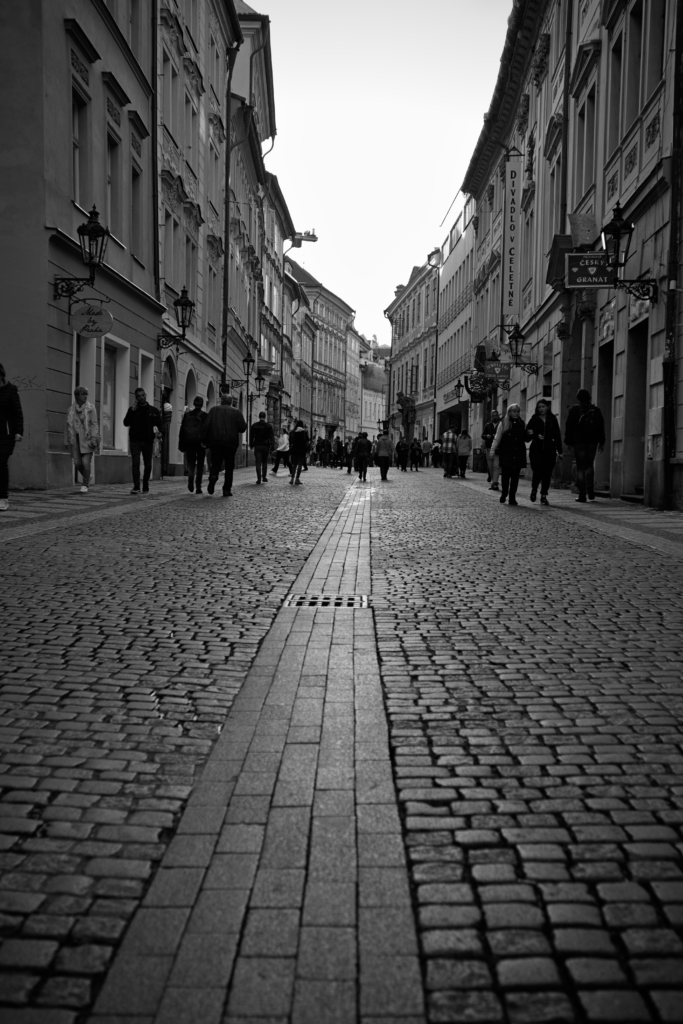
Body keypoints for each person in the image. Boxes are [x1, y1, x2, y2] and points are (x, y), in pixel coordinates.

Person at [201, 391, 247, 496]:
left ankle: (213, 476)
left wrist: (204, 440)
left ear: (221, 401)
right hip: (231, 443)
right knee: (229, 466)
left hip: (215, 442)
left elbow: (206, 425)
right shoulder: (236, 412)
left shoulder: (213, 410)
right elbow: (242, 427)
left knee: (216, 463)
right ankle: (226, 489)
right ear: (231, 402)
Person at [564, 388, 606, 503]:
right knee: (589, 466)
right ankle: (591, 491)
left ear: (578, 398)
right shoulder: (596, 410)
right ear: (589, 397)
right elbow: (600, 427)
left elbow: (569, 427)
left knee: (580, 468)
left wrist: (568, 442)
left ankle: (582, 495)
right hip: (592, 442)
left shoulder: (574, 410)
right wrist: (601, 442)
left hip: (579, 442)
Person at [123, 387, 163, 494]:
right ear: (136, 398)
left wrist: (160, 433)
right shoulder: (133, 410)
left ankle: (145, 484)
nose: (141, 397)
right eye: (139, 396)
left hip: (148, 441)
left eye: (142, 395)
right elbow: (126, 422)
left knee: (148, 465)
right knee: (135, 463)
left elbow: (160, 424)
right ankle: (136, 486)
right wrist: (132, 411)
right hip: (135, 440)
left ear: (145, 395)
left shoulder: (153, 411)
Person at [526, 400, 562, 505]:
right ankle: (534, 490)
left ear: (547, 407)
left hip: (549, 449)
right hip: (536, 449)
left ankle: (544, 495)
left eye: (543, 406)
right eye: (539, 407)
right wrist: (535, 435)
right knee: (537, 472)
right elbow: (527, 434)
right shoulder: (534, 419)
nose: (541, 409)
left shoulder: (553, 419)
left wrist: (560, 451)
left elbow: (557, 435)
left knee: (547, 473)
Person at [65, 386, 100, 493]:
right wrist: (66, 441)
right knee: (77, 463)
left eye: (86, 394)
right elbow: (67, 426)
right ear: (77, 396)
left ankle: (85, 484)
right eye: (83, 394)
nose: (85, 396)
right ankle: (87, 475)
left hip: (87, 438)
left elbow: (94, 424)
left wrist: (94, 437)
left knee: (85, 462)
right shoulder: (71, 410)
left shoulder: (91, 408)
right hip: (75, 439)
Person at [490, 404, 527, 505]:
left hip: (518, 453)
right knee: (505, 476)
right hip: (506, 453)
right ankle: (504, 492)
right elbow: (497, 438)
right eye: (514, 411)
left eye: (518, 411)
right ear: (509, 412)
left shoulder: (522, 423)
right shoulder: (503, 423)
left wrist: (530, 434)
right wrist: (492, 451)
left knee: (515, 477)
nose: (516, 413)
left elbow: (526, 438)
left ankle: (512, 497)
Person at [0, 364, 24, 512]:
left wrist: (19, 431)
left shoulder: (11, 389)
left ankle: (3, 498)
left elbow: (17, 412)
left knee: (1, 463)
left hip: (6, 434)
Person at [178, 396, 208, 494]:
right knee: (200, 464)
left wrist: (181, 444)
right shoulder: (204, 416)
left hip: (189, 442)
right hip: (200, 443)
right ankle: (198, 486)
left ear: (194, 403)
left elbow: (182, 430)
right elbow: (206, 431)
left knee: (191, 463)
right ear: (202, 404)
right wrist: (206, 443)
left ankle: (190, 479)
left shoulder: (187, 415)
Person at [250, 410, 274, 484]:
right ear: (265, 417)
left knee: (258, 462)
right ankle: (264, 477)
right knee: (264, 462)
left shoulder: (254, 425)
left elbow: (251, 436)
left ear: (259, 417)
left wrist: (251, 444)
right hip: (266, 446)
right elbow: (271, 437)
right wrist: (272, 446)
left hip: (257, 445)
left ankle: (259, 479)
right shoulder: (269, 426)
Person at [482, 409, 502, 489]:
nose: (495, 417)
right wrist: (487, 436)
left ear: (498, 415)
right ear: (491, 417)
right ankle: (494, 481)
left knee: (496, 466)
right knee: (490, 467)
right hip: (489, 448)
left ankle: (495, 483)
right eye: (493, 416)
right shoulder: (488, 425)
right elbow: (482, 435)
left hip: (497, 449)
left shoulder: (501, 424)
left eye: (496, 415)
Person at [289, 419, 309, 485]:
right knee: (300, 464)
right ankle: (297, 479)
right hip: (301, 450)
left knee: (294, 464)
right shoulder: (304, 432)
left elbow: (290, 441)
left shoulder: (293, 432)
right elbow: (307, 441)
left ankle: (292, 479)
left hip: (294, 449)